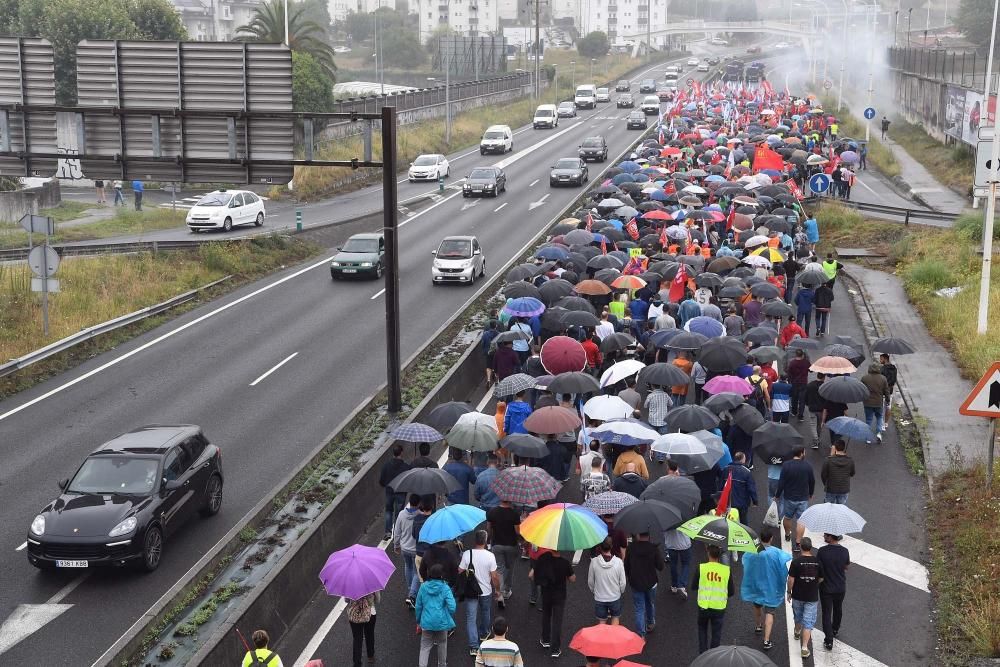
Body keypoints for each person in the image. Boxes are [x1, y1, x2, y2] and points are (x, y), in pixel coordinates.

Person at [740, 527, 792, 652]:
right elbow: (787, 561)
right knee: (770, 612)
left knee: (757, 606)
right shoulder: (777, 553)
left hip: (757, 586)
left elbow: (745, 562)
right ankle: (766, 640)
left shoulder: (752, 551)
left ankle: (758, 626)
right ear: (771, 539)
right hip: (771, 588)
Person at [459, 530, 501, 656]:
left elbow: (460, 570)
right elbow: (494, 577)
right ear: (486, 540)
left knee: (471, 618)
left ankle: (473, 646)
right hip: (486, 591)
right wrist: (497, 591)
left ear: (475, 540)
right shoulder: (490, 556)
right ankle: (484, 633)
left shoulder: (467, 554)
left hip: (471, 591)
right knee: (485, 612)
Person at [533, 549, 576, 657]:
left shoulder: (543, 559)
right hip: (559, 596)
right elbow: (573, 579)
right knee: (557, 621)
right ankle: (555, 649)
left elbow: (531, 575)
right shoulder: (565, 563)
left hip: (546, 593)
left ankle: (545, 640)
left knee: (546, 616)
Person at [788, 536, 825, 659]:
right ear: (810, 547)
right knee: (808, 622)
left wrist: (789, 592)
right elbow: (821, 578)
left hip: (798, 595)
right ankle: (804, 648)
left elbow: (791, 579)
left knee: (798, 616)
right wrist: (814, 584)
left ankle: (797, 632)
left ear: (801, 547)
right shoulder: (818, 562)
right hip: (812, 596)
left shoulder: (796, 562)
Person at [692, 544, 733, 653]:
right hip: (719, 608)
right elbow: (731, 592)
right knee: (716, 633)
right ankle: (713, 656)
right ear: (719, 556)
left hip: (703, 606)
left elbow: (693, 586)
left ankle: (703, 655)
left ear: (708, 553)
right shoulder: (726, 570)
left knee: (702, 629)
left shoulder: (701, 568)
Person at [416, 563, 457, 667]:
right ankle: (442, 664)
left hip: (426, 622)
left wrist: (418, 621)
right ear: (442, 575)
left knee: (425, 647)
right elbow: (452, 607)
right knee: (442, 645)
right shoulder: (445, 588)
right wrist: (447, 614)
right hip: (442, 622)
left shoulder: (423, 587)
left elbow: (418, 606)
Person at [623, 532, 663, 637]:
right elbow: (660, 566)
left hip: (636, 582)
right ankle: (650, 623)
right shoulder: (653, 548)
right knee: (650, 603)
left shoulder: (631, 548)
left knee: (639, 609)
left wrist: (628, 576)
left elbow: (626, 565)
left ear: (639, 535)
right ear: (649, 535)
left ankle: (641, 634)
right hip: (651, 582)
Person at [775, 447, 814, 552]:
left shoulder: (786, 465)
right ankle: (797, 543)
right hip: (803, 497)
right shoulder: (807, 466)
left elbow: (781, 482)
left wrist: (777, 495)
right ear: (801, 453)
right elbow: (812, 481)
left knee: (787, 518)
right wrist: (811, 493)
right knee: (801, 521)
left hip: (789, 497)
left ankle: (787, 535)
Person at [817, 533, 851, 651]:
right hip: (840, 587)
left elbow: (818, 569)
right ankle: (835, 629)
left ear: (830, 537)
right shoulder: (845, 551)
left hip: (826, 587)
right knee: (838, 609)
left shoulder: (822, 551)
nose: (824, 536)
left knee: (826, 613)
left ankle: (829, 640)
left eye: (826, 535)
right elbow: (846, 567)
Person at [487, 499, 521, 608]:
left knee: (499, 569)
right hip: (511, 545)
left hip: (497, 544)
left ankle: (499, 593)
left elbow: (488, 528)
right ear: (510, 500)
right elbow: (517, 532)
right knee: (510, 568)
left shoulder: (492, 512)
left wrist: (490, 540)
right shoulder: (514, 514)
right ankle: (507, 590)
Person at [588, 537, 627, 625]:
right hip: (615, 597)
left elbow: (590, 582)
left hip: (600, 597)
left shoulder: (594, 562)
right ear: (611, 546)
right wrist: (620, 591)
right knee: (615, 618)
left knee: (602, 622)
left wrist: (595, 591)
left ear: (600, 548)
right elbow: (623, 582)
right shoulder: (619, 562)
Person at [393, 493, 422, 607]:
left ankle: (410, 588)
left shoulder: (401, 514)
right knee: (416, 572)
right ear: (418, 503)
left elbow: (397, 531)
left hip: (404, 547)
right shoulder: (419, 515)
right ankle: (412, 594)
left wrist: (396, 545)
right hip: (415, 549)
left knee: (408, 567)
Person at [379, 444, 410, 539]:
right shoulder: (406, 467)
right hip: (401, 493)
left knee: (388, 511)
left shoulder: (386, 465)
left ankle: (388, 532)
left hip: (389, 491)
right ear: (401, 452)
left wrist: (387, 486)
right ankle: (397, 534)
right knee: (399, 513)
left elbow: (381, 481)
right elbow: (409, 481)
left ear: (393, 453)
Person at [346, 592, 379, 666]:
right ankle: (370, 656)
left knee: (357, 638)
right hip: (370, 612)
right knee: (370, 634)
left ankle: (357, 663)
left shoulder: (349, 583)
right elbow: (377, 600)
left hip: (355, 614)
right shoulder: (371, 581)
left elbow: (347, 600)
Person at [861, 363, 890, 443]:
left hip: (867, 402)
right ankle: (878, 434)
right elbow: (886, 391)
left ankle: (868, 438)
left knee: (869, 420)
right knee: (879, 417)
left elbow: (861, 389)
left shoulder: (864, 378)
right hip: (878, 402)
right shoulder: (883, 378)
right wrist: (888, 400)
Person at [726, 452, 758, 524]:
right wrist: (755, 501)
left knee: (729, 519)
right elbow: (751, 488)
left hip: (728, 501)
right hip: (742, 502)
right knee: (743, 520)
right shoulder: (746, 472)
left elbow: (721, 485)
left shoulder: (726, 469)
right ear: (742, 459)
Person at [821, 439, 855, 504]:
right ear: (844, 448)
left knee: (828, 508)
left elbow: (823, 475)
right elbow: (852, 473)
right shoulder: (850, 461)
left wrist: (826, 484)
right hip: (844, 489)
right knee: (840, 509)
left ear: (835, 448)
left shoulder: (828, 460)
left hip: (831, 488)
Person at [805, 373, 826, 446]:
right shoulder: (825, 386)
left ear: (817, 376)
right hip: (821, 409)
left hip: (812, 408)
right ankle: (818, 438)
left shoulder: (810, 385)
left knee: (813, 425)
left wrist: (807, 404)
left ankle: (815, 441)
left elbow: (806, 396)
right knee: (819, 424)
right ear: (824, 377)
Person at [879, 353, 898, 430]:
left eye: (881, 359)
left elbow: (880, 381)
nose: (880, 360)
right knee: (888, 406)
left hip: (883, 391)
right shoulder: (894, 368)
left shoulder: (882, 369)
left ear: (884, 358)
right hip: (890, 390)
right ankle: (886, 423)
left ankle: (881, 424)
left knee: (881, 408)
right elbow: (894, 380)